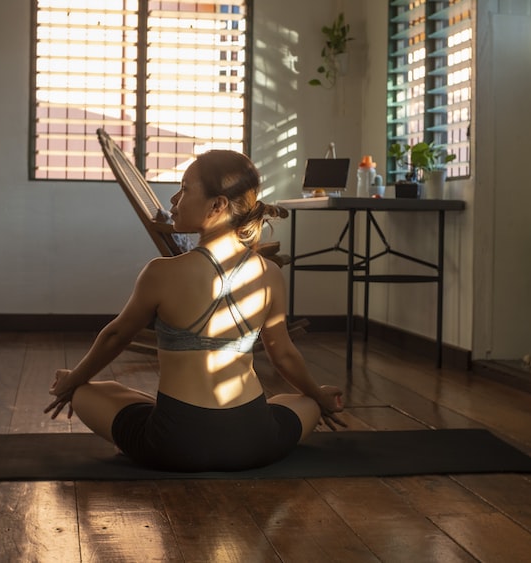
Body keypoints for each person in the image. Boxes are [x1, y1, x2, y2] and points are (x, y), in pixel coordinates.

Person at [45, 150, 345, 472]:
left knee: (89, 392)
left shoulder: (160, 272)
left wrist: (72, 381)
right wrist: (319, 396)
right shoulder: (269, 272)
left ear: (217, 205)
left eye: (185, 189)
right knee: (300, 400)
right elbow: (283, 354)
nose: (174, 199)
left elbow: (116, 336)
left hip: (175, 444)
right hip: (255, 441)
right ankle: (313, 400)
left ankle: (133, 428)